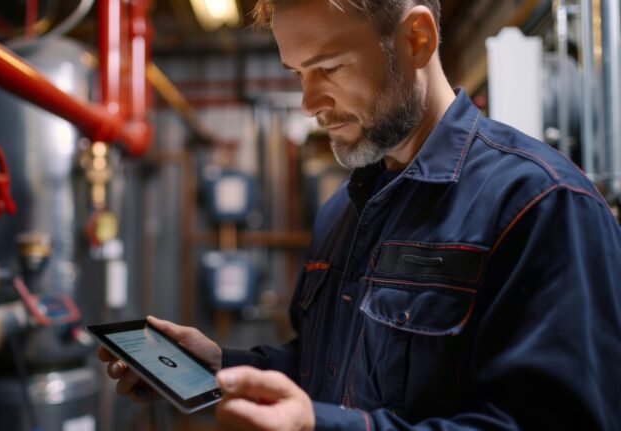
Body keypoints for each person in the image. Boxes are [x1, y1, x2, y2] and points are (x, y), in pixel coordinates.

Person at [99, 0, 621, 429]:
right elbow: (325, 368)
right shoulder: (343, 211)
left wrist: (319, 427)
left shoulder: (540, 204)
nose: (308, 102)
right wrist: (223, 367)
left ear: (417, 39)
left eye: (329, 67)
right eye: (298, 73)